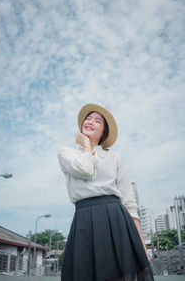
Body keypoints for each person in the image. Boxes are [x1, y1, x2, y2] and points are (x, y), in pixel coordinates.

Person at [57, 103, 154, 281]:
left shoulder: (114, 157)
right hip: (84, 220)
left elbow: (129, 203)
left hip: (115, 218)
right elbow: (85, 169)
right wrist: (86, 144)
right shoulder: (67, 153)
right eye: (88, 118)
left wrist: (141, 244)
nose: (90, 121)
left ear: (104, 132)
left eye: (97, 120)